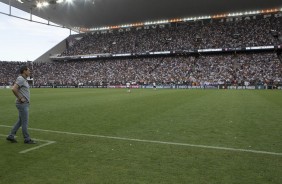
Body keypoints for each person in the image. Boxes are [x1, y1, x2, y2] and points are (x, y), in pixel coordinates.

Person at [6, 65, 36, 144]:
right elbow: (14, 88)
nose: (29, 72)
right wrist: (20, 98)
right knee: (25, 122)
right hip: (22, 104)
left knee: (20, 121)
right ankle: (27, 139)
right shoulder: (21, 79)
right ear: (24, 71)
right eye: (28, 70)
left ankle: (11, 135)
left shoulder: (24, 79)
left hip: (24, 104)